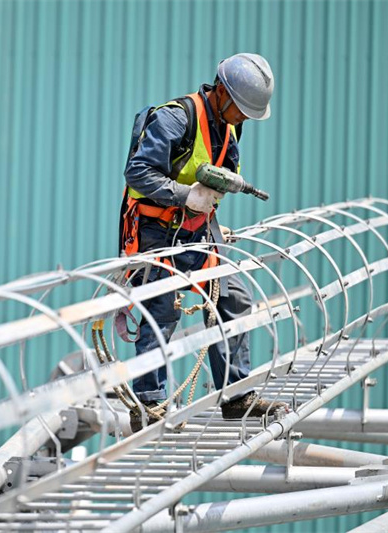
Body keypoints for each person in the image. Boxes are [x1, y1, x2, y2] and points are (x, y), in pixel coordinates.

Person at [119, 53, 288, 433]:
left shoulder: (229, 128)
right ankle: (148, 405)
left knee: (233, 299)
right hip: (158, 232)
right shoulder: (175, 118)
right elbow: (136, 172)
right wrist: (184, 195)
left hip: (200, 231)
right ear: (222, 93)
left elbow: (223, 173)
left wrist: (208, 203)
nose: (243, 118)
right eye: (241, 109)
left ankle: (236, 396)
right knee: (159, 313)